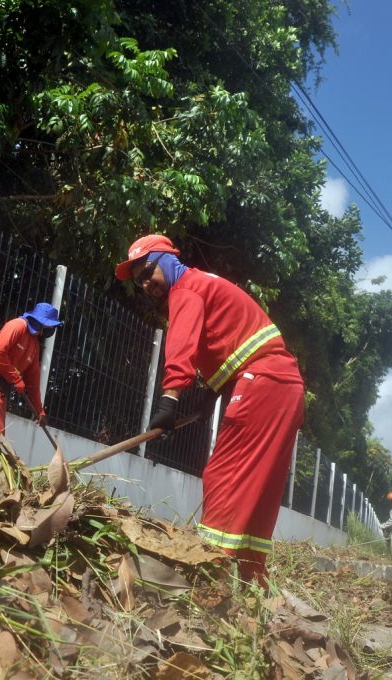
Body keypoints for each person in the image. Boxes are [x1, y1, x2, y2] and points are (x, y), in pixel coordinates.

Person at [115, 234, 304, 585]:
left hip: (262, 381)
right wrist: (211, 394)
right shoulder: (204, 284)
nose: (144, 284)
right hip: (281, 385)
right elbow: (231, 345)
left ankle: (208, 577)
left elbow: (181, 346)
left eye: (147, 272)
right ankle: (250, 580)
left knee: (224, 476)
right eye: (138, 280)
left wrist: (169, 401)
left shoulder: (185, 290)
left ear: (167, 260)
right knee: (257, 489)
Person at [0, 302, 62, 438]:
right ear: (39, 322)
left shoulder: (34, 345)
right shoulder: (17, 325)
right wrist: (16, 378)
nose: (46, 330)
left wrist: (39, 410)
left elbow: (33, 381)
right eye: (47, 325)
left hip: (0, 387)